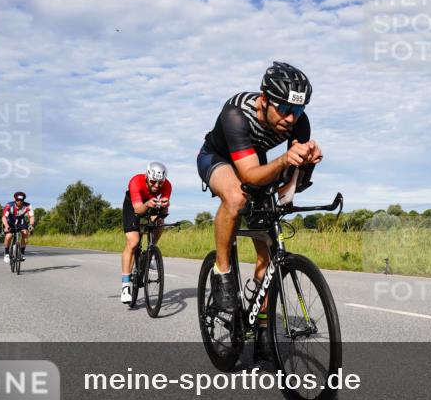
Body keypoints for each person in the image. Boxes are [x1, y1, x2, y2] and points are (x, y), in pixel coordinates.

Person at [196, 62, 323, 332]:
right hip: (217, 157)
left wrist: (305, 168)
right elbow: (249, 177)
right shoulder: (236, 115)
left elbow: (287, 188)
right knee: (236, 197)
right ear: (264, 100)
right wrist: (283, 161)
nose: (291, 118)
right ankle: (222, 272)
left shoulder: (299, 124)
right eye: (285, 109)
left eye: (298, 110)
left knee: (267, 254)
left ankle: (260, 318)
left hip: (255, 160)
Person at [120, 162, 172, 304]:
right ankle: (125, 286)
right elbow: (138, 210)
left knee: (159, 222)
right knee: (134, 242)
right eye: (153, 181)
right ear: (147, 177)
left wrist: (164, 207)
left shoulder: (167, 185)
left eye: (160, 183)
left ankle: (150, 251)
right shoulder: (136, 182)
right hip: (133, 206)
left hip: (151, 204)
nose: (156, 186)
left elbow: (164, 211)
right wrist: (148, 204)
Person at [2, 192, 35, 264]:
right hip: (10, 221)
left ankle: (22, 252)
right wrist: (6, 226)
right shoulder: (9, 205)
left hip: (21, 221)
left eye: (21, 200)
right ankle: (6, 253)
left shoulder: (28, 206)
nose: (19, 202)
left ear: (23, 200)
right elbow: (4, 217)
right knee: (9, 236)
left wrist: (31, 225)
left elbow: (31, 216)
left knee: (25, 233)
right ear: (15, 199)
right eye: (17, 200)